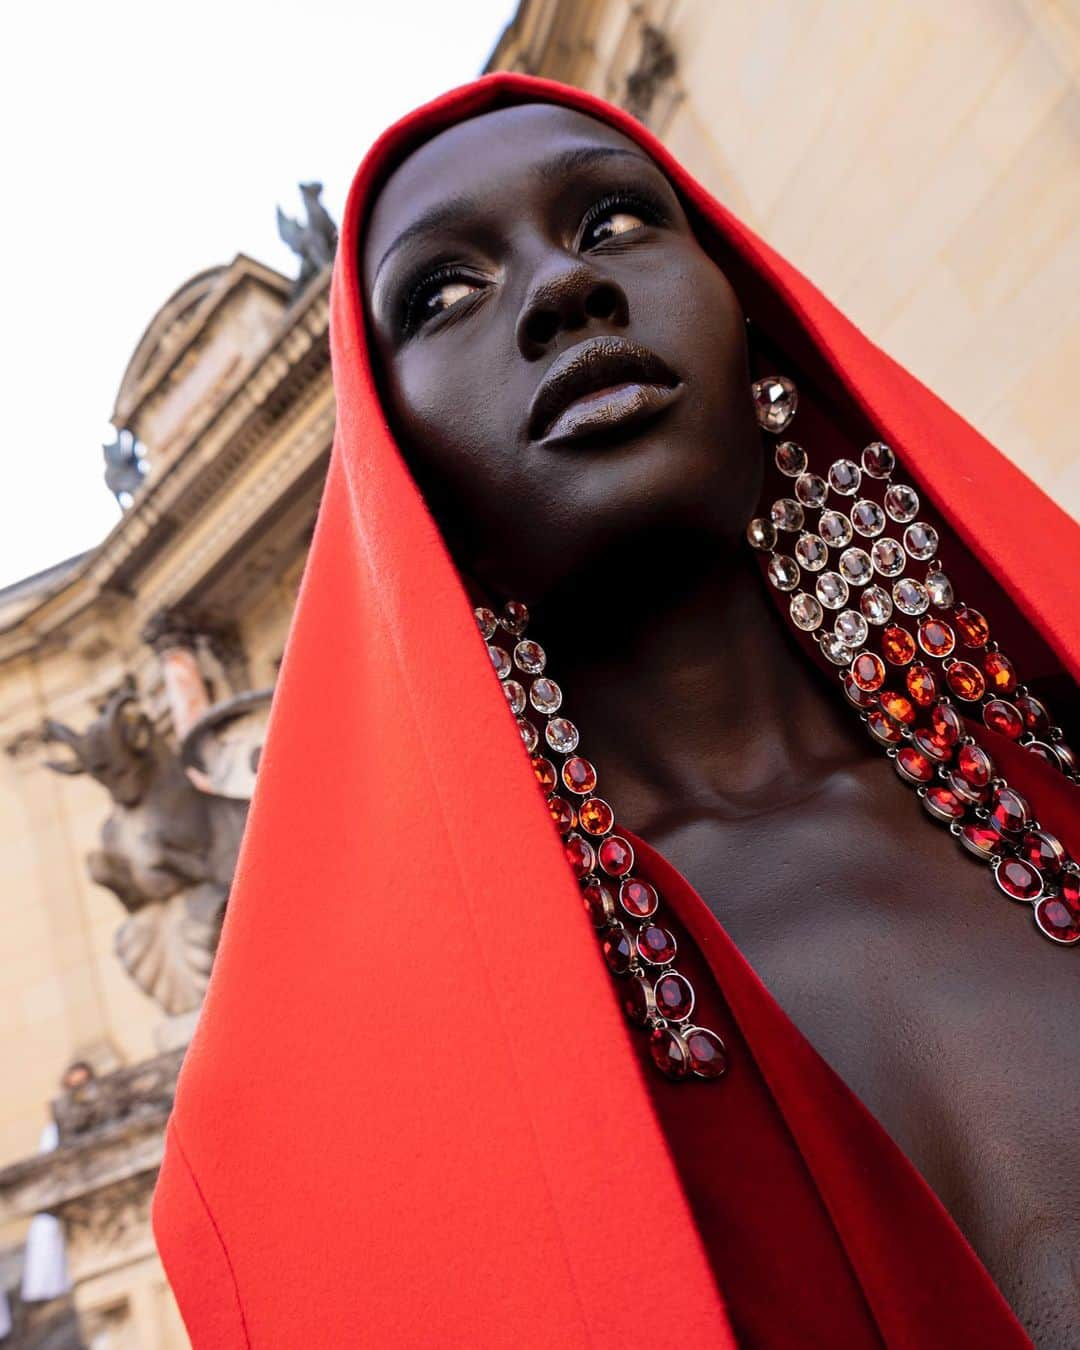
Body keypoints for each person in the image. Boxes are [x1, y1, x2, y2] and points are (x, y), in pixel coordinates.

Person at [152, 72, 1079, 1347]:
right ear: (398, 462)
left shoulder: (1057, 767)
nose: (561, 290)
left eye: (614, 224)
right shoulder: (330, 1117)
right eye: (442, 293)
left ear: (754, 333)